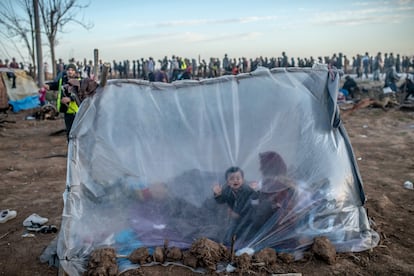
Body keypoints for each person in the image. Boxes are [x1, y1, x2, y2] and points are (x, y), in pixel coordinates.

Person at [212, 166, 257, 243]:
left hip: (247, 217)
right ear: (227, 182)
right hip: (234, 218)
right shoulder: (227, 191)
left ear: (242, 180)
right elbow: (221, 201)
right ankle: (229, 243)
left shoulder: (246, 190)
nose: (235, 181)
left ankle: (246, 242)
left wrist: (254, 190)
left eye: (238, 178)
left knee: (247, 233)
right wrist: (217, 194)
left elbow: (254, 201)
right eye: (231, 179)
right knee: (230, 234)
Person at [44, 63, 81, 141]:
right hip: (66, 111)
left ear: (75, 72)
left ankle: (77, 151)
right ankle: (71, 151)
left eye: (72, 70)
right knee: (69, 133)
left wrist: (70, 99)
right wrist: (48, 86)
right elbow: (56, 85)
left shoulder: (79, 81)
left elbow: (80, 94)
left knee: (77, 133)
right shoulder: (63, 80)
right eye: (68, 70)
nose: (70, 72)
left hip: (76, 111)